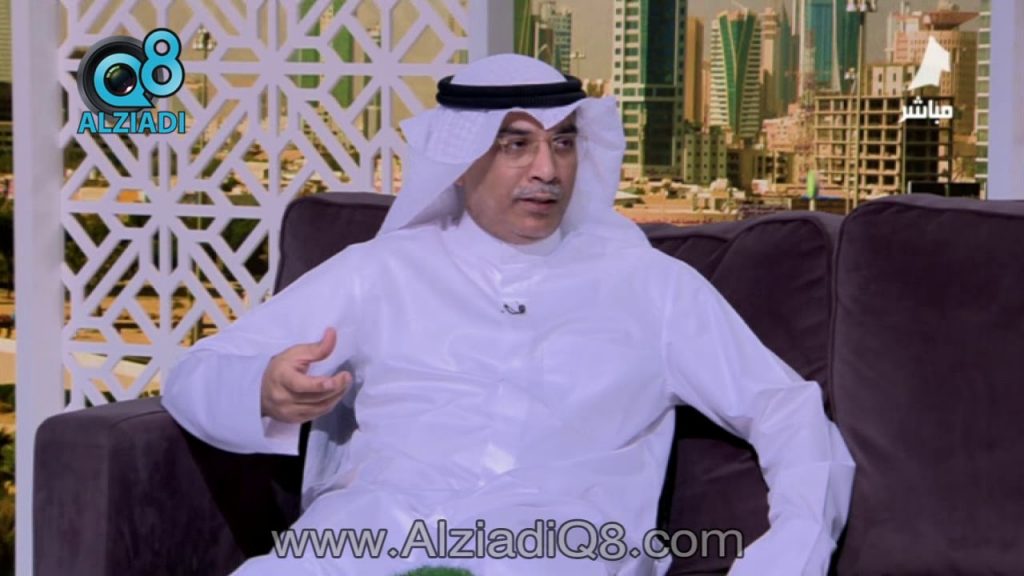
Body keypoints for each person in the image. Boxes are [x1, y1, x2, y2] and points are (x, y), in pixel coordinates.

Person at [162, 54, 855, 576]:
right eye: (516, 144)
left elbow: (785, 408)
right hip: (369, 540)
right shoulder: (379, 272)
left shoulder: (650, 287)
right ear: (461, 159)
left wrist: (790, 553)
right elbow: (195, 373)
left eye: (563, 142)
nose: (547, 170)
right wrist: (263, 388)